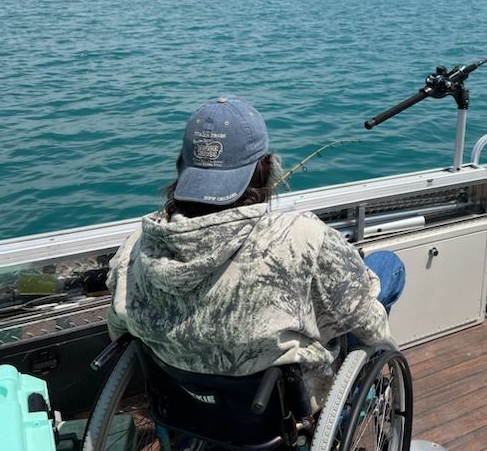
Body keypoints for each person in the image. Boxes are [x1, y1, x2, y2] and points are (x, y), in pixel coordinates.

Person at [107, 95, 405, 409]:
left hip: (186, 406)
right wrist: (387, 354)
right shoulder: (303, 237)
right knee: (387, 265)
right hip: (283, 412)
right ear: (264, 169)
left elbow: (117, 330)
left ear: (183, 167)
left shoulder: (138, 245)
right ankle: (363, 394)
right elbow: (366, 319)